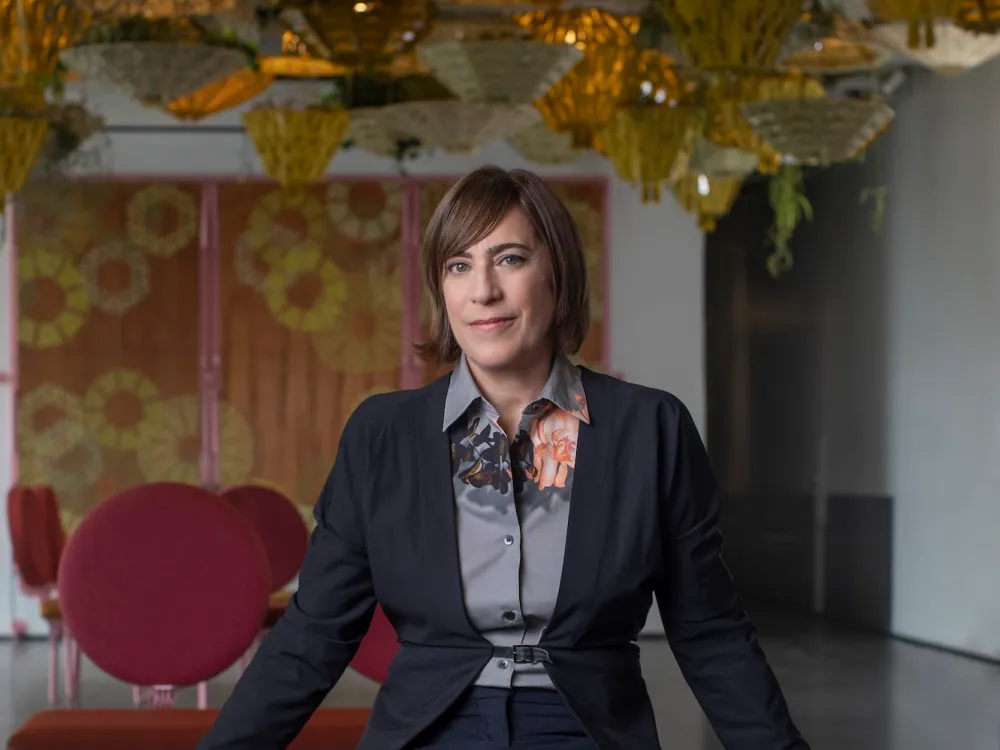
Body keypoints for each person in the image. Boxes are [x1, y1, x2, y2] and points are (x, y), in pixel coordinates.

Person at [196, 166, 809, 750]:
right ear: (441, 288)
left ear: (557, 274)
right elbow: (314, 634)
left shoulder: (650, 427)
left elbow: (709, 631)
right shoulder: (382, 435)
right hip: (429, 728)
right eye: (459, 265)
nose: (483, 290)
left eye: (510, 259)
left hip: (585, 730)